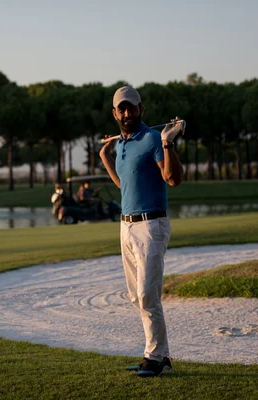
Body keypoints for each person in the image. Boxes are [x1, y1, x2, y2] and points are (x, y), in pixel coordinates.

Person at [99, 85, 184, 378]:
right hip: (126, 226)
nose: (127, 112)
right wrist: (105, 158)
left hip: (151, 226)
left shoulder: (151, 139)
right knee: (137, 296)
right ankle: (159, 354)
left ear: (141, 109)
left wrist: (168, 143)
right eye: (121, 108)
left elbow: (173, 179)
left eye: (131, 107)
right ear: (114, 113)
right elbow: (126, 185)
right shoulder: (121, 145)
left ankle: (156, 356)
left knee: (148, 294)